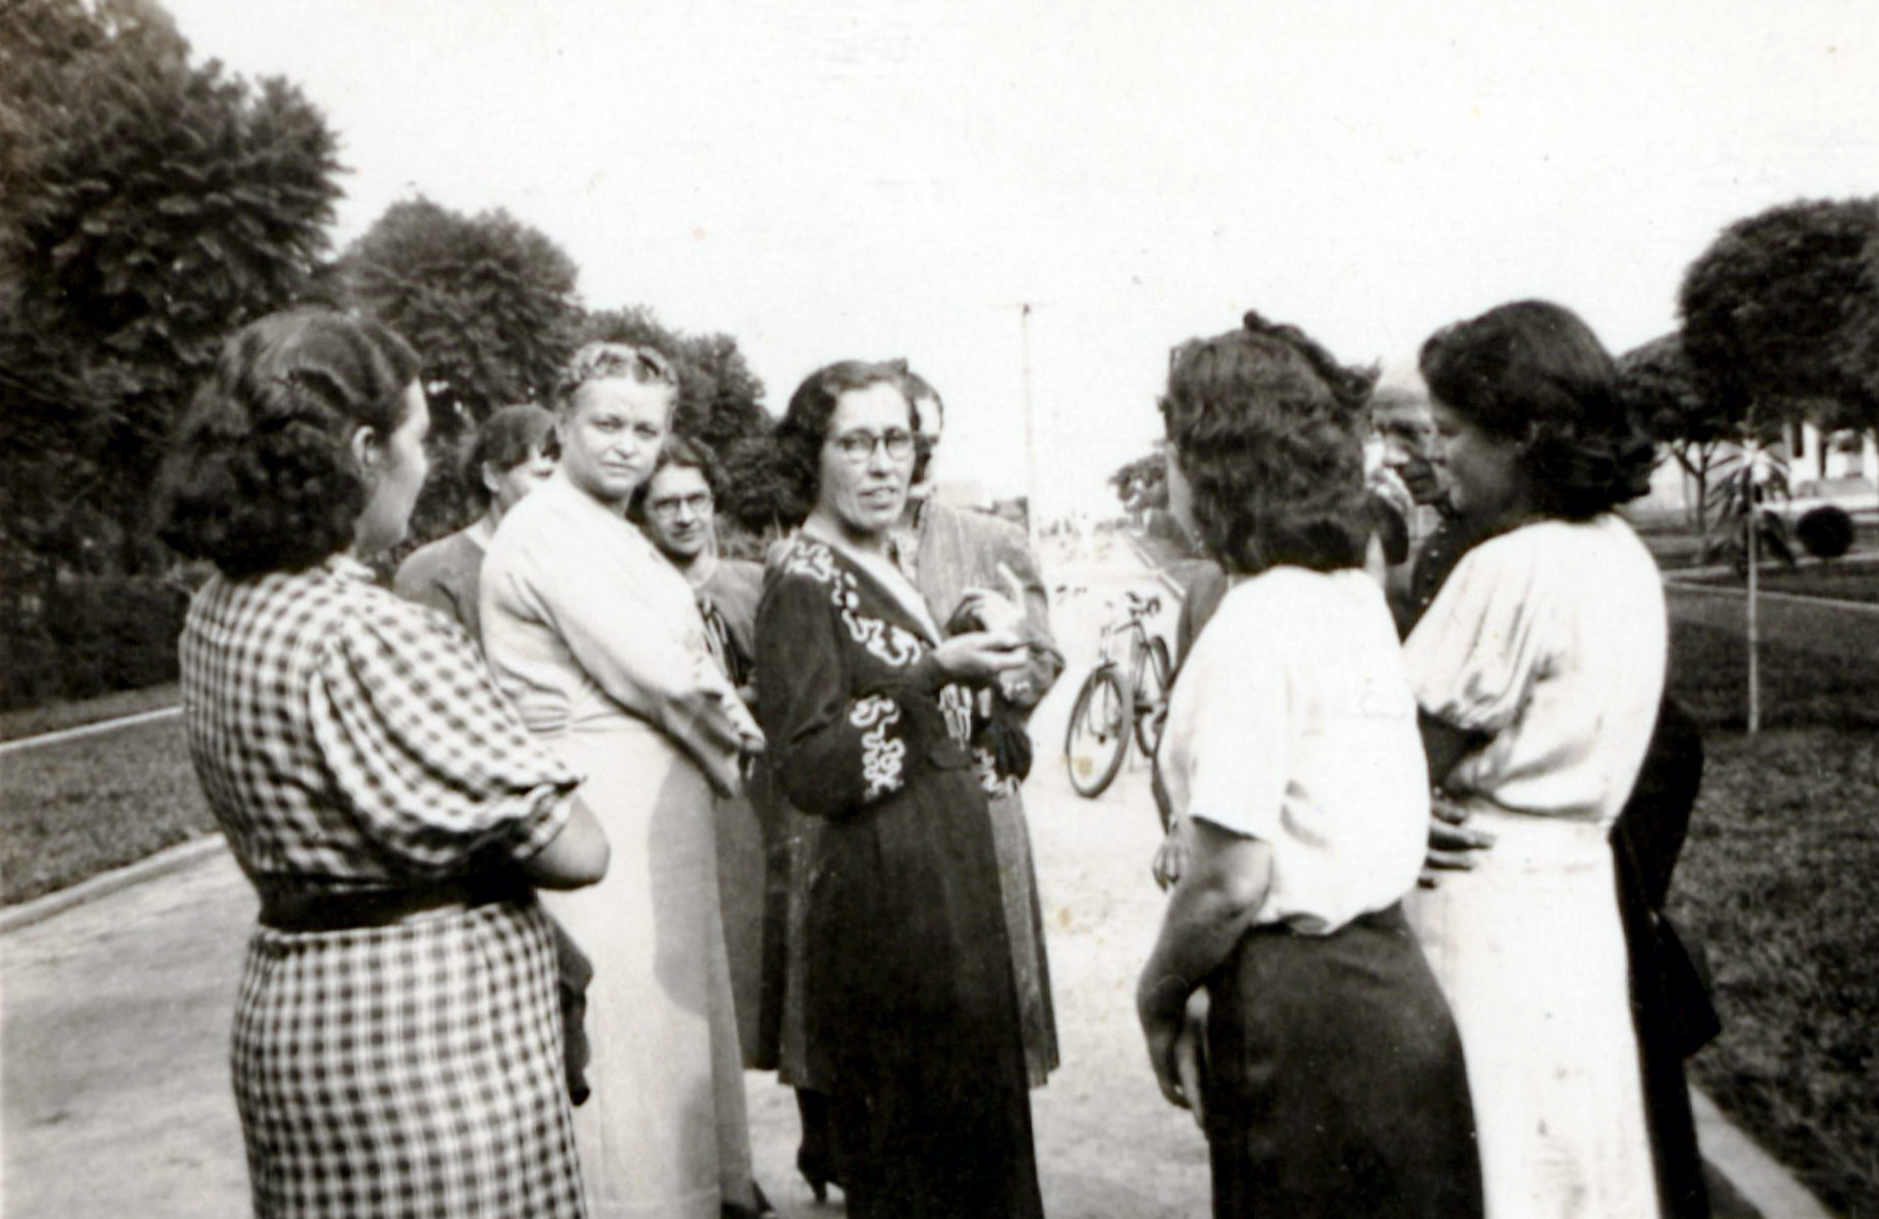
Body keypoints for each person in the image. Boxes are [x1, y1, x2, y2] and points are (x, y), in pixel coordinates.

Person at [155, 308, 609, 1219]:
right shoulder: (373, 632)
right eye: (419, 439)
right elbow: (577, 849)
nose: (426, 463)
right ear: (364, 452)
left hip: (295, 1007)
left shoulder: (217, 610)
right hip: (429, 1038)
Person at [1135, 312, 1482, 1219]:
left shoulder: (1254, 625)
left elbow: (1228, 880)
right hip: (1393, 992)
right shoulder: (1349, 598)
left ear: (1214, 463)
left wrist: (1157, 995)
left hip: (1299, 1013)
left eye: (1173, 444)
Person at [480, 342, 771, 1219]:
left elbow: (687, 654)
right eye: (606, 423)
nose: (626, 446)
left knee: (677, 1034)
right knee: (629, 1045)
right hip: (598, 805)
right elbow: (656, 669)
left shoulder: (612, 531)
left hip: (656, 809)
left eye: (646, 430)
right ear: (562, 424)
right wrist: (741, 741)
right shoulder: (547, 528)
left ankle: (701, 1194)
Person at [755, 360, 1045, 1219]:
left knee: (969, 1141)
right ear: (811, 454)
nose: (883, 464)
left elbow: (920, 711)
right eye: (855, 443)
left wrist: (979, 661)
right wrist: (932, 671)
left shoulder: (880, 563)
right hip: (884, 899)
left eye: (897, 441)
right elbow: (809, 767)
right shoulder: (802, 579)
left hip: (946, 883)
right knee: (916, 1153)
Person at [1404, 299, 1667, 1218]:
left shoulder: (1507, 569)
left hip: (1482, 901)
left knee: (1495, 1152)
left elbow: (1397, 761)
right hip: (1576, 901)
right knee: (1573, 1152)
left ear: (1523, 436)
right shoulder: (1621, 555)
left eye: (1449, 431)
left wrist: (1394, 802)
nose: (1436, 454)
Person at [895, 368, 1064, 1086]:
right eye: (900, 439)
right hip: (874, 802)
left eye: (926, 441)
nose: (916, 457)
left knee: (985, 1020)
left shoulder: (991, 540)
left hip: (974, 790)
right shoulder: (827, 550)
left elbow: (1044, 659)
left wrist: (1008, 667)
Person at [634, 436, 783, 1071]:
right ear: (643, 512)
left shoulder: (755, 582)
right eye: (666, 504)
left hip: (759, 791)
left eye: (696, 500)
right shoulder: (631, 593)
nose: (685, 516)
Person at [394, 402, 557, 643]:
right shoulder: (434, 571)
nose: (559, 491)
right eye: (543, 475)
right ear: (492, 477)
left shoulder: (575, 564)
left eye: (565, 479)